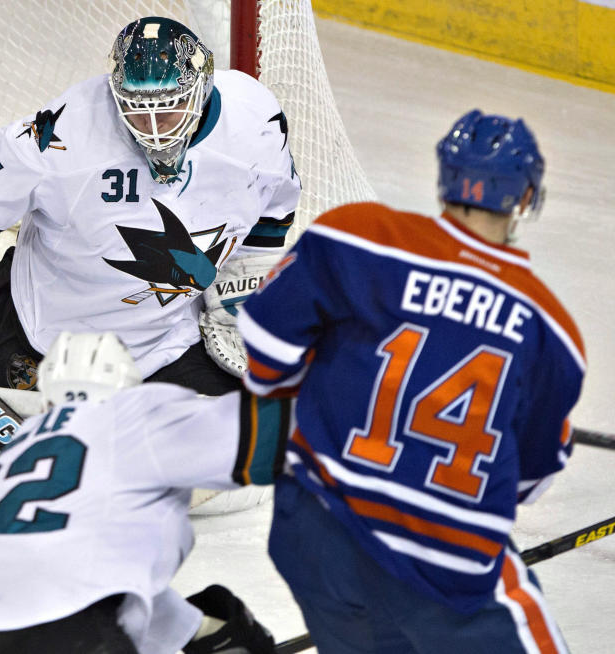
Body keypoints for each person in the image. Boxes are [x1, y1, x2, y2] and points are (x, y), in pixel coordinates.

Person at [238, 110, 585, 652]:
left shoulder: (359, 237)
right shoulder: (552, 331)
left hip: (313, 533)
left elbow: (264, 352)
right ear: (524, 198)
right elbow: (529, 482)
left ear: (445, 181)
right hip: (443, 565)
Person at [0, 16, 301, 395]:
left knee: (232, 447)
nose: (156, 129)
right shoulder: (65, 134)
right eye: (139, 111)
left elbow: (270, 216)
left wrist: (237, 295)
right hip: (46, 341)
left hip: (170, 346)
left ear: (203, 89)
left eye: (170, 107)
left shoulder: (256, 123)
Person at [0, 331, 290, 654]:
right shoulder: (133, 416)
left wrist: (199, 630)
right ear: (126, 386)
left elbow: (85, 578)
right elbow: (263, 434)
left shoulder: (18, 452)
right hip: (64, 629)